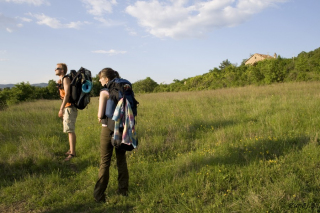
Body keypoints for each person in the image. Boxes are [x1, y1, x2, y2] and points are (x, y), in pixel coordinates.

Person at [94, 68, 129, 203]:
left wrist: (99, 117)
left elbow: (100, 115)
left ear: (106, 79)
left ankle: (99, 195)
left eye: (100, 78)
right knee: (121, 161)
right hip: (122, 128)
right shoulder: (124, 88)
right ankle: (123, 191)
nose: (99, 80)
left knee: (105, 162)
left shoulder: (104, 92)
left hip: (107, 129)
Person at [55, 63, 78, 161]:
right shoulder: (62, 80)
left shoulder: (66, 79)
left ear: (62, 70)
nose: (55, 70)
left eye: (57, 68)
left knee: (70, 130)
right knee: (69, 130)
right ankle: (71, 150)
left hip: (69, 107)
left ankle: (72, 153)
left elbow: (67, 94)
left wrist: (61, 108)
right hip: (68, 107)